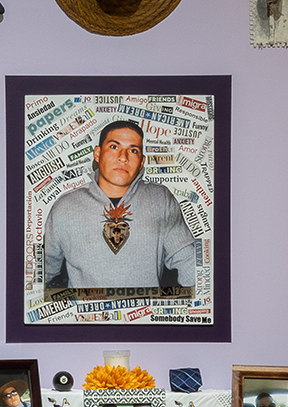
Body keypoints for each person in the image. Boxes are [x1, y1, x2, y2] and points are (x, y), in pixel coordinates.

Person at [40, 119, 199, 292]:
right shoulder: (65, 206)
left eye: (133, 150)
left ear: (141, 161)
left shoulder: (161, 199)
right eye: (114, 147)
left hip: (145, 315)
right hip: (85, 316)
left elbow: (187, 261)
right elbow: (42, 270)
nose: (123, 157)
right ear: (98, 154)